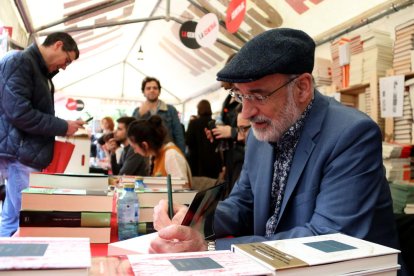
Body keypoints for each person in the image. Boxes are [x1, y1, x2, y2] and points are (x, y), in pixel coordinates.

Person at [150, 28, 400, 256]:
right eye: (240, 96)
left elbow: (327, 239)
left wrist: (210, 246)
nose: (245, 113)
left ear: (302, 88)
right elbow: (243, 203)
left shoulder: (351, 135)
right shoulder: (262, 135)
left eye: (258, 96)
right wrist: (194, 219)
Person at [0, 32, 84, 236]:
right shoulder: (20, 62)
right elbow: (20, 113)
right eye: (67, 60)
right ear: (57, 45)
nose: (65, 66)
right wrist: (63, 126)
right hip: (20, 154)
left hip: (22, 154)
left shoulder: (38, 71)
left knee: (13, 219)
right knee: (25, 221)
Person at [127, 115, 192, 188]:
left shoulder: (171, 155)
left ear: (145, 145)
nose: (135, 151)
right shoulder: (154, 155)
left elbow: (183, 187)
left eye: (134, 147)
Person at [132, 77, 186, 153]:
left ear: (159, 91)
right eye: (148, 88)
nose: (152, 90)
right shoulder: (137, 111)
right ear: (143, 92)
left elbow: (179, 134)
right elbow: (132, 135)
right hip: (146, 156)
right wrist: (139, 114)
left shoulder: (170, 110)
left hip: (167, 153)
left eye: (155, 88)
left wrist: (181, 153)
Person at [185, 100, 222, 179]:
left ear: (198, 109)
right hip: (213, 161)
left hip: (197, 162)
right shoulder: (214, 123)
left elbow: (188, 141)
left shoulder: (193, 123)